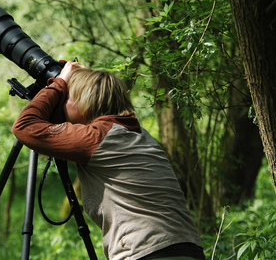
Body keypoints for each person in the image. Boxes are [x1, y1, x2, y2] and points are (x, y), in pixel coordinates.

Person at [12, 62, 205, 260]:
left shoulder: (96, 137)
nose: (63, 102)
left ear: (84, 102)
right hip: (188, 249)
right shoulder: (137, 134)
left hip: (147, 251)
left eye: (67, 97)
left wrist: (59, 82)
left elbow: (25, 126)